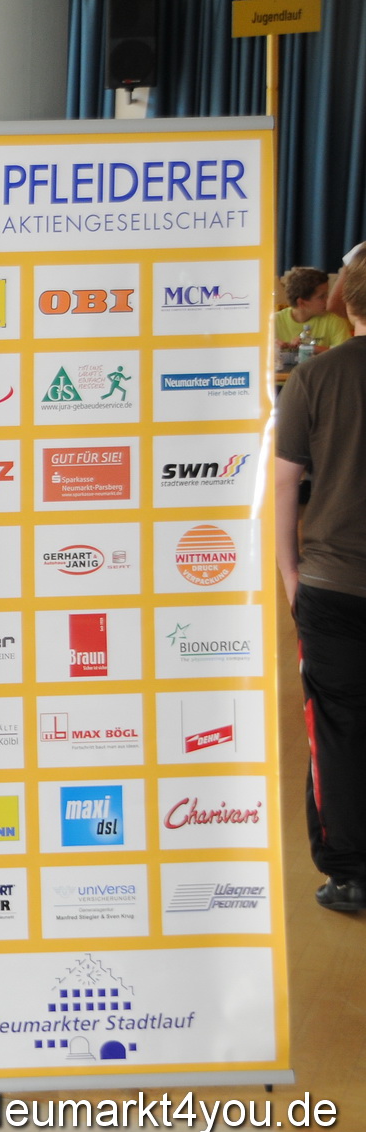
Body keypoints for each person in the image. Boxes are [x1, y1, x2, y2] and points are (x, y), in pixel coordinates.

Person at [275, 254, 366, 913]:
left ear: (344, 302)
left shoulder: (314, 376)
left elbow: (284, 485)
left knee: (337, 729)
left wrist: (289, 572)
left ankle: (350, 875)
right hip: (334, 585)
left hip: (331, 584)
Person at [275, 266, 351, 360]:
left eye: (326, 295)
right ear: (301, 303)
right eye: (321, 297)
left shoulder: (335, 321)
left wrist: (310, 348)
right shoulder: (273, 322)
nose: (327, 300)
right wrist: (272, 347)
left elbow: (346, 355)